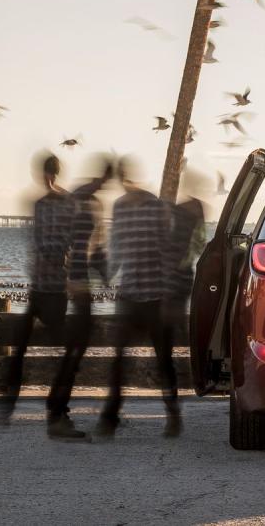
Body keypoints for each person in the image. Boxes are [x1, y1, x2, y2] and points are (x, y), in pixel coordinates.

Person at [92, 156, 177, 440]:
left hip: (153, 296)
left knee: (163, 360)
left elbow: (167, 252)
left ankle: (172, 412)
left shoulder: (155, 206)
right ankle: (110, 418)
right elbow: (117, 249)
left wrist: (168, 297)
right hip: (130, 295)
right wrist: (105, 272)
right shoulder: (122, 208)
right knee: (120, 361)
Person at [0, 153, 73, 424]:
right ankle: (10, 400)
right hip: (41, 287)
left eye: (48, 174)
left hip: (52, 289)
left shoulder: (61, 203)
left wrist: (52, 256)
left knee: (57, 348)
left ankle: (54, 406)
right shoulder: (46, 203)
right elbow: (50, 241)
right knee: (21, 347)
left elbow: (58, 242)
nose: (46, 179)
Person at [46, 155, 113, 439]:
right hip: (75, 287)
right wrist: (71, 278)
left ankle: (57, 409)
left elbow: (95, 251)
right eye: (106, 177)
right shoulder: (81, 200)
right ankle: (57, 413)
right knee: (74, 350)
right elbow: (69, 243)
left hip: (80, 286)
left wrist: (108, 277)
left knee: (76, 349)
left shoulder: (91, 203)